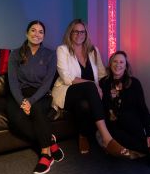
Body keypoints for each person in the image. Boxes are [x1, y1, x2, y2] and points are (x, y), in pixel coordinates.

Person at [51, 19, 129, 157]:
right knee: (90, 86)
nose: (79, 34)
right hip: (67, 91)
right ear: (70, 33)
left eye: (82, 31)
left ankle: (83, 135)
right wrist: (92, 85)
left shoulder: (93, 51)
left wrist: (112, 85)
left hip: (87, 95)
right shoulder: (62, 50)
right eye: (75, 31)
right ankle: (107, 139)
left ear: (86, 34)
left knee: (84, 105)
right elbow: (66, 77)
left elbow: (101, 74)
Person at [100, 51, 150, 163]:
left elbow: (143, 110)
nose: (118, 65)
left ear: (126, 66)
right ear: (110, 64)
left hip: (133, 121)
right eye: (115, 61)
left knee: (141, 134)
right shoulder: (103, 83)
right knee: (118, 137)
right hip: (114, 125)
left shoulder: (134, 83)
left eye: (121, 62)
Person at [7, 20, 64, 174]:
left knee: (38, 110)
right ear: (27, 33)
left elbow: (47, 83)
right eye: (33, 30)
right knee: (16, 119)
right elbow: (12, 81)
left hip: (40, 94)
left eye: (40, 32)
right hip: (20, 93)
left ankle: (46, 154)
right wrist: (22, 101)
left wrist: (31, 102)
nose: (36, 34)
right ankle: (49, 140)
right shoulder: (15, 53)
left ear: (43, 36)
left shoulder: (50, 54)